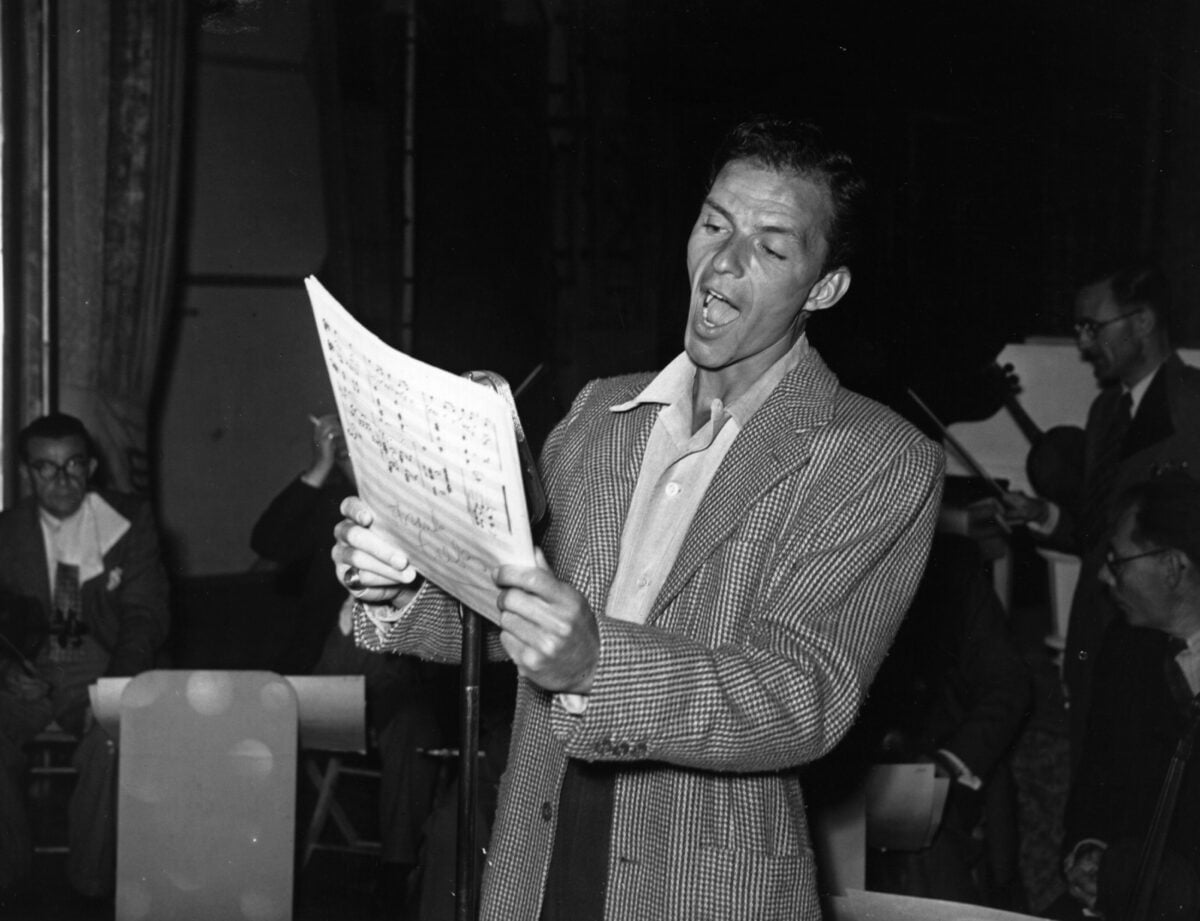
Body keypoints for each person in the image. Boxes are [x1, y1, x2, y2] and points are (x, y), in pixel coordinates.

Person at [332, 115, 944, 920]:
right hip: (535, 858)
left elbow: (802, 695)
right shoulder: (599, 413)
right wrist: (404, 584)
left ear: (823, 288)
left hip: (703, 884)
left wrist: (597, 665)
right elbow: (518, 614)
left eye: (769, 247)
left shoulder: (878, 456)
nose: (722, 263)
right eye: (714, 225)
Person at [998, 264, 1200, 762]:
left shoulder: (1193, 406)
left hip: (1159, 638)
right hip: (1097, 628)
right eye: (1079, 329)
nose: (1083, 343)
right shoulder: (1106, 411)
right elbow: (1100, 531)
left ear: (1143, 322)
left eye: (1093, 327)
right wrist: (1045, 515)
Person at [250, 412, 450, 897]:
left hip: (397, 670)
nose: (349, 454)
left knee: (415, 726)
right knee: (256, 710)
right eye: (342, 449)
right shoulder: (330, 508)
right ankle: (256, 869)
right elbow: (267, 542)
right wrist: (319, 466)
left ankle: (396, 875)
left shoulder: (426, 510)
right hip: (323, 668)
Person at [0, 412, 170, 899]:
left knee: (116, 736)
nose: (61, 479)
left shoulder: (131, 521)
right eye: (46, 467)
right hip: (29, 668)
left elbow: (145, 616)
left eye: (73, 464)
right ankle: (7, 874)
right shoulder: (6, 532)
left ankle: (92, 884)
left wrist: (114, 689)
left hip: (103, 662)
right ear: (27, 473)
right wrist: (7, 671)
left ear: (91, 467)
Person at [1055, 475, 1200, 920]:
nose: (1104, 575)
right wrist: (1089, 849)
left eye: (1117, 561)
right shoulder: (1125, 647)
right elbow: (1095, 781)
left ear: (1173, 567)